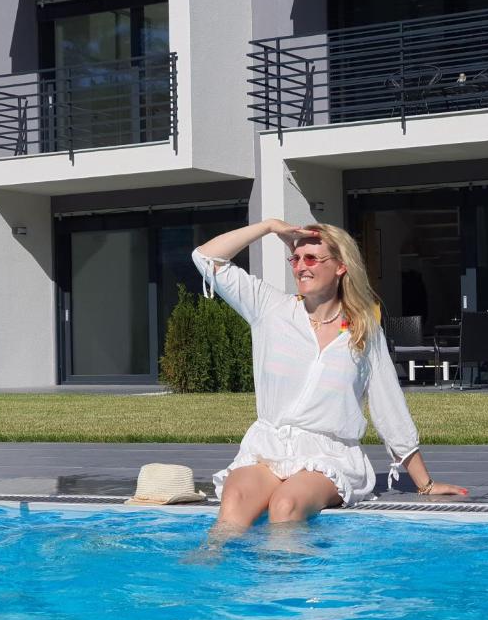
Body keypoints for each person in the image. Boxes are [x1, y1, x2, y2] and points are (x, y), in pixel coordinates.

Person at [194, 218, 466, 540]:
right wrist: (269, 227)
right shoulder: (269, 309)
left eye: (312, 259)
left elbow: (387, 404)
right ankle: (208, 578)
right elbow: (206, 257)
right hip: (269, 448)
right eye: (295, 259)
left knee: (286, 504)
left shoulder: (362, 329)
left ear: (340, 266)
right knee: (234, 500)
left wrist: (425, 483)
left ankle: (285, 582)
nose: (300, 267)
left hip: (328, 454)